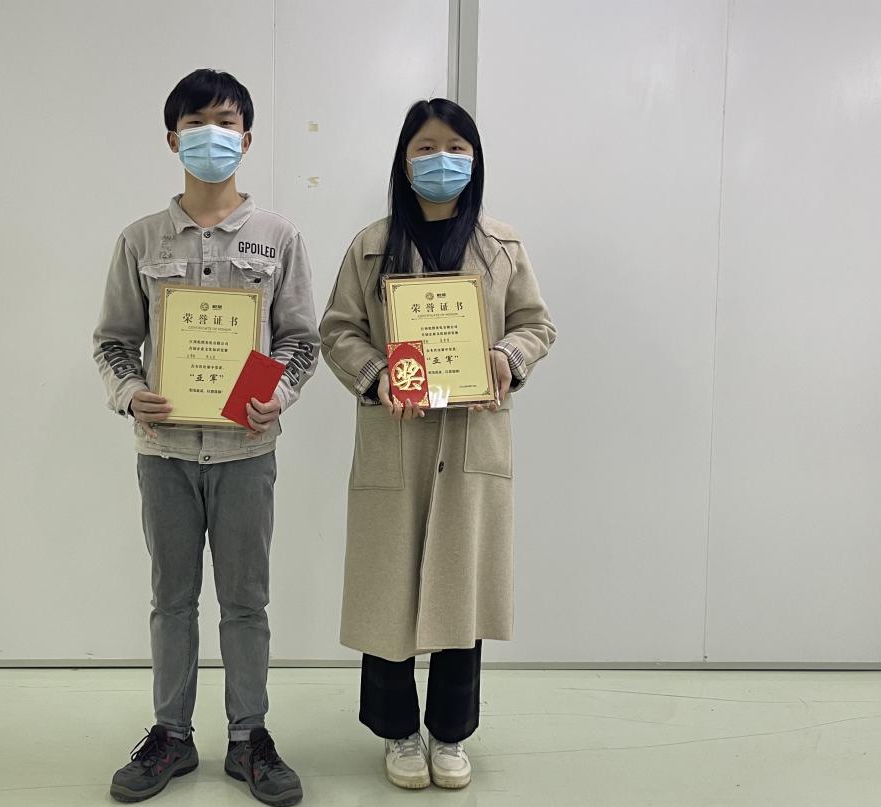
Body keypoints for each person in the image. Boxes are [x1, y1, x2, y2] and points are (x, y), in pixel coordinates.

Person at [93, 68, 317, 806]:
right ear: (172, 139)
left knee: (246, 603)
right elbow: (113, 340)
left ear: (246, 139)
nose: (211, 136)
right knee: (172, 600)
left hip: (246, 452)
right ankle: (172, 735)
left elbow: (300, 340)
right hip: (164, 453)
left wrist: (275, 395)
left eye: (226, 123)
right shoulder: (140, 239)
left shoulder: (278, 237)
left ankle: (249, 737)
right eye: (196, 124)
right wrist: (132, 394)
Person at [318, 98, 556, 791]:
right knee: (387, 590)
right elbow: (337, 330)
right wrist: (375, 373)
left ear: (474, 160)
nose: (440, 160)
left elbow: (536, 324)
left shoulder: (502, 246)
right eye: (425, 147)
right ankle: (397, 730)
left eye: (455, 147)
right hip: (397, 438)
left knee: (461, 588)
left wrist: (506, 357)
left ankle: (449, 733)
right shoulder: (370, 246)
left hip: (472, 440)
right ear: (403, 160)